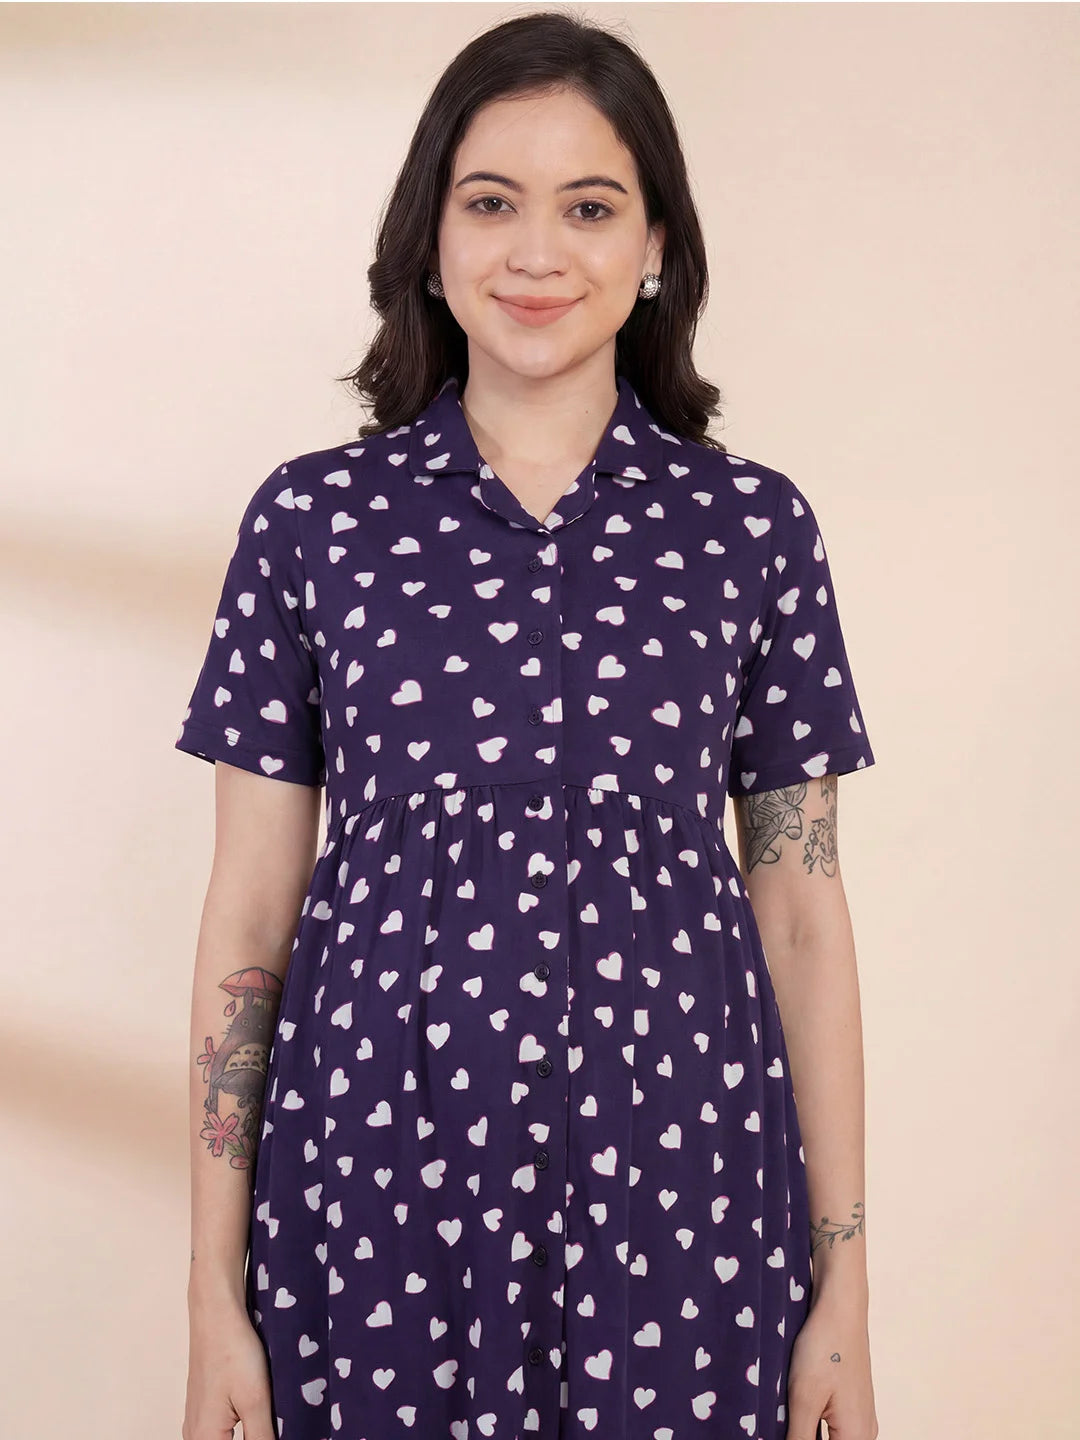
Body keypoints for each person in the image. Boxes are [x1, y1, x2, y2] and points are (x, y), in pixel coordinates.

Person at [178, 12, 880, 1440]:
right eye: (491, 202)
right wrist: (211, 1300)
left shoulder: (752, 532)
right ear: (429, 237)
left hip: (684, 1202)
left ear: (657, 243)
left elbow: (802, 919)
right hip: (373, 1194)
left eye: (591, 207)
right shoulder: (313, 525)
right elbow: (249, 918)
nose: (537, 253)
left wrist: (845, 1298)